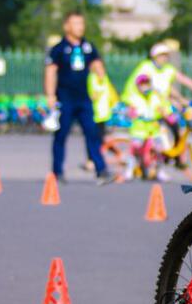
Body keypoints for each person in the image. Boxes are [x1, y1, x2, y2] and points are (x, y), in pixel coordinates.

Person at [43, 11, 112, 184]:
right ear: (67, 26)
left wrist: (100, 76)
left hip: (84, 99)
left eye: (82, 24)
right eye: (76, 24)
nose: (80, 27)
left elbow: (97, 66)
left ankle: (101, 170)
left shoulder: (88, 47)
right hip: (65, 98)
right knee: (61, 135)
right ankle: (57, 171)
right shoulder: (58, 49)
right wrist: (50, 95)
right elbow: (50, 72)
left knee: (92, 133)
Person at [124, 73, 167, 181]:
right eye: (142, 85)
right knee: (135, 149)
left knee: (159, 149)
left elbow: (163, 108)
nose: (145, 87)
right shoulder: (134, 97)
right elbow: (129, 110)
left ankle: (160, 171)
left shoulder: (156, 96)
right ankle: (129, 169)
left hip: (153, 128)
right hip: (139, 129)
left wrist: (164, 112)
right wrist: (132, 113)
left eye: (146, 84)